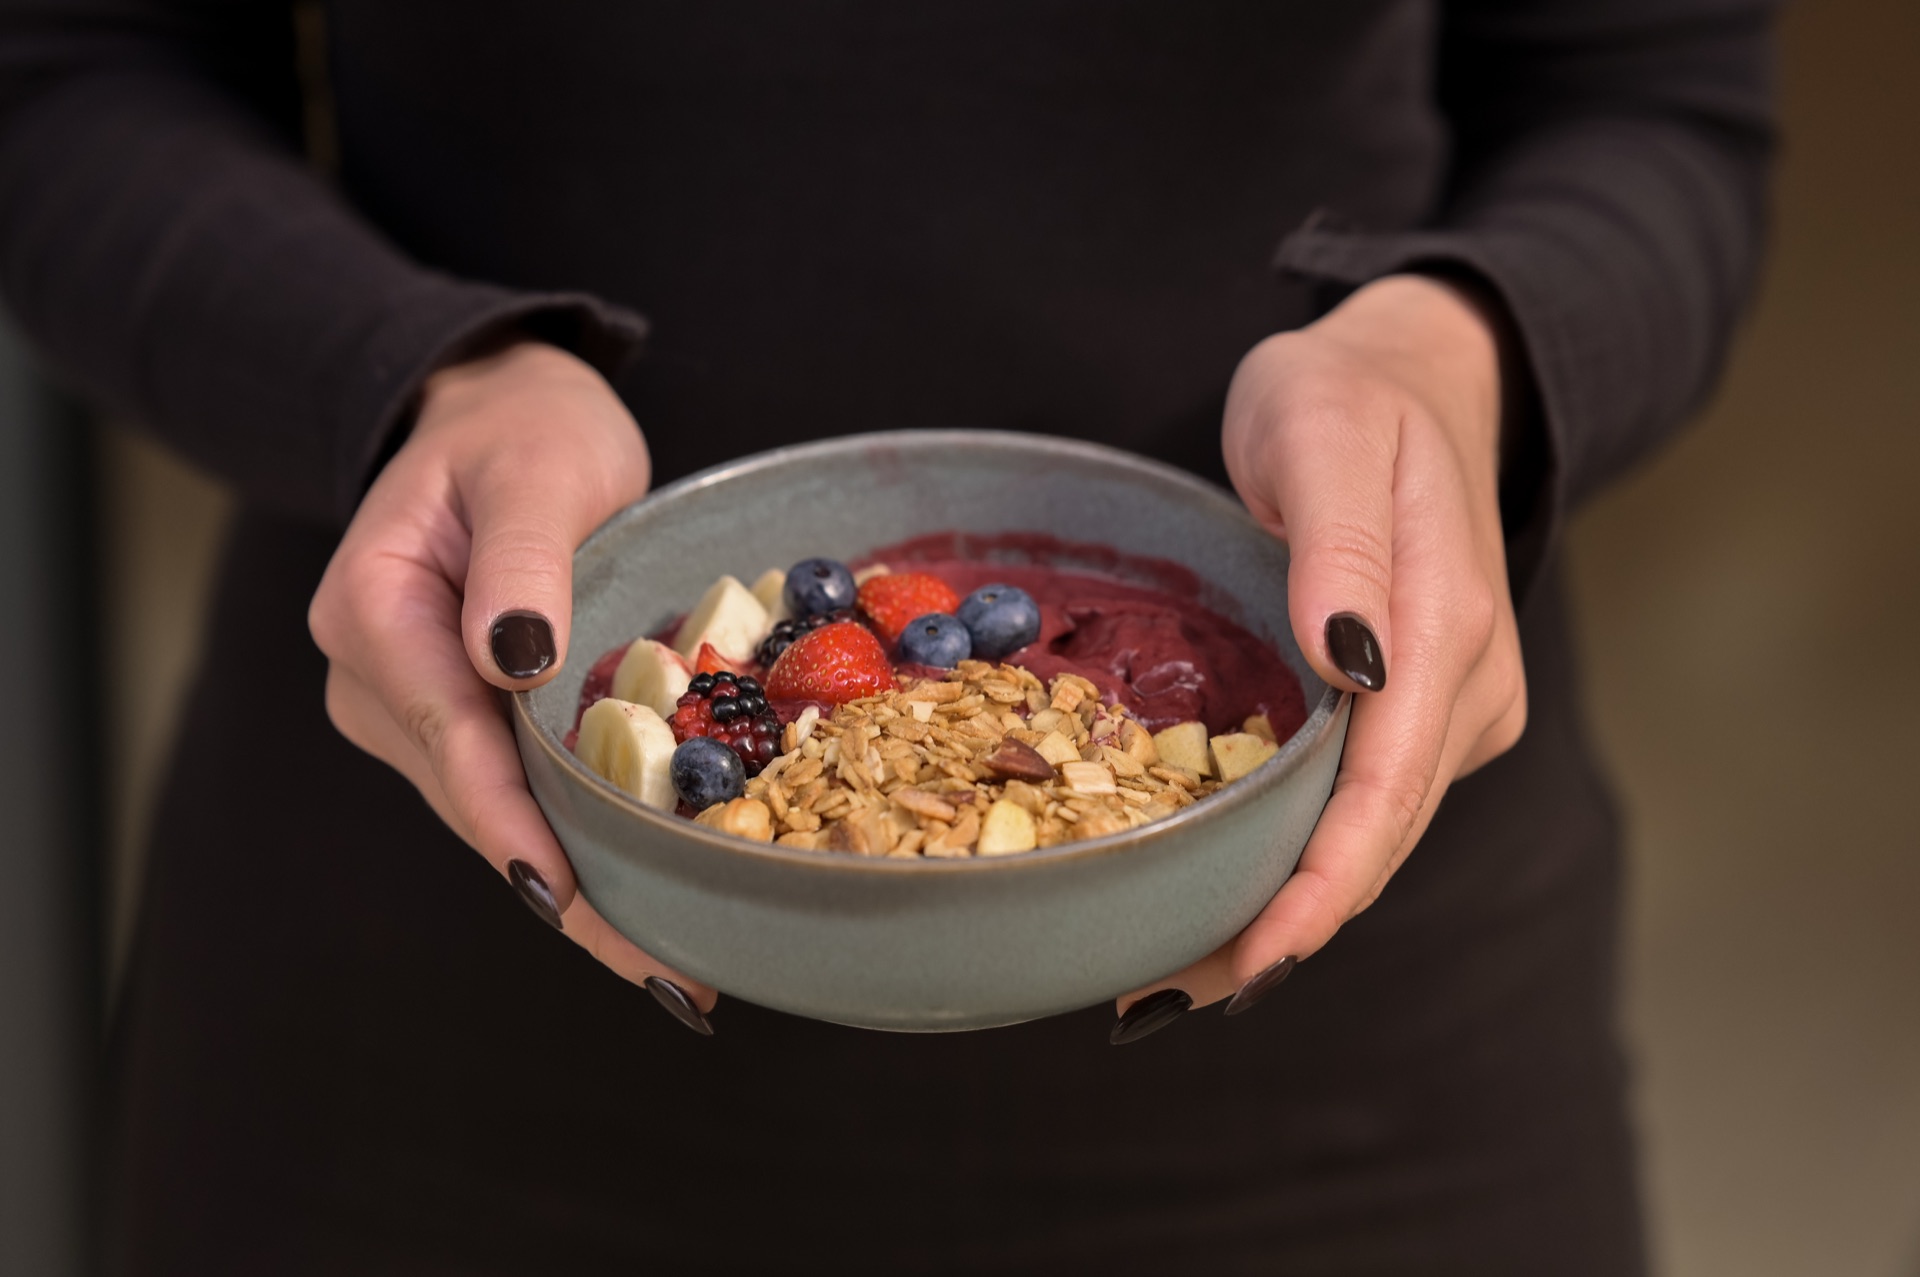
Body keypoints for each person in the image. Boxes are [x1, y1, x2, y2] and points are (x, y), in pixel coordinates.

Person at [0, 2, 1772, 1272]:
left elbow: (1657, 102)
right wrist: (402, 367)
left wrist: (1455, 358)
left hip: (1333, 1034)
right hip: (437, 1008)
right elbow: (73, 71)